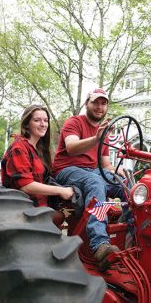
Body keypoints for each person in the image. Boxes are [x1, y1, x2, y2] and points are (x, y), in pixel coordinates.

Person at [53, 88, 127, 265]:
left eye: (103, 103)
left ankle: (135, 237)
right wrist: (96, 139)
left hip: (91, 172)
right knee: (95, 182)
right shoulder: (74, 122)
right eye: (95, 102)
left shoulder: (104, 132)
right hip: (67, 170)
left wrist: (118, 172)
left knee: (126, 187)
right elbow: (71, 147)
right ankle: (99, 244)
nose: (99, 107)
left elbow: (106, 164)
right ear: (87, 103)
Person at [1, 104, 74, 208]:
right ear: (27, 124)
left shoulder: (39, 149)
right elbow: (26, 186)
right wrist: (61, 190)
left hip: (42, 207)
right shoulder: (19, 148)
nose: (43, 124)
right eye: (37, 120)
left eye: (45, 120)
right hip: (23, 210)